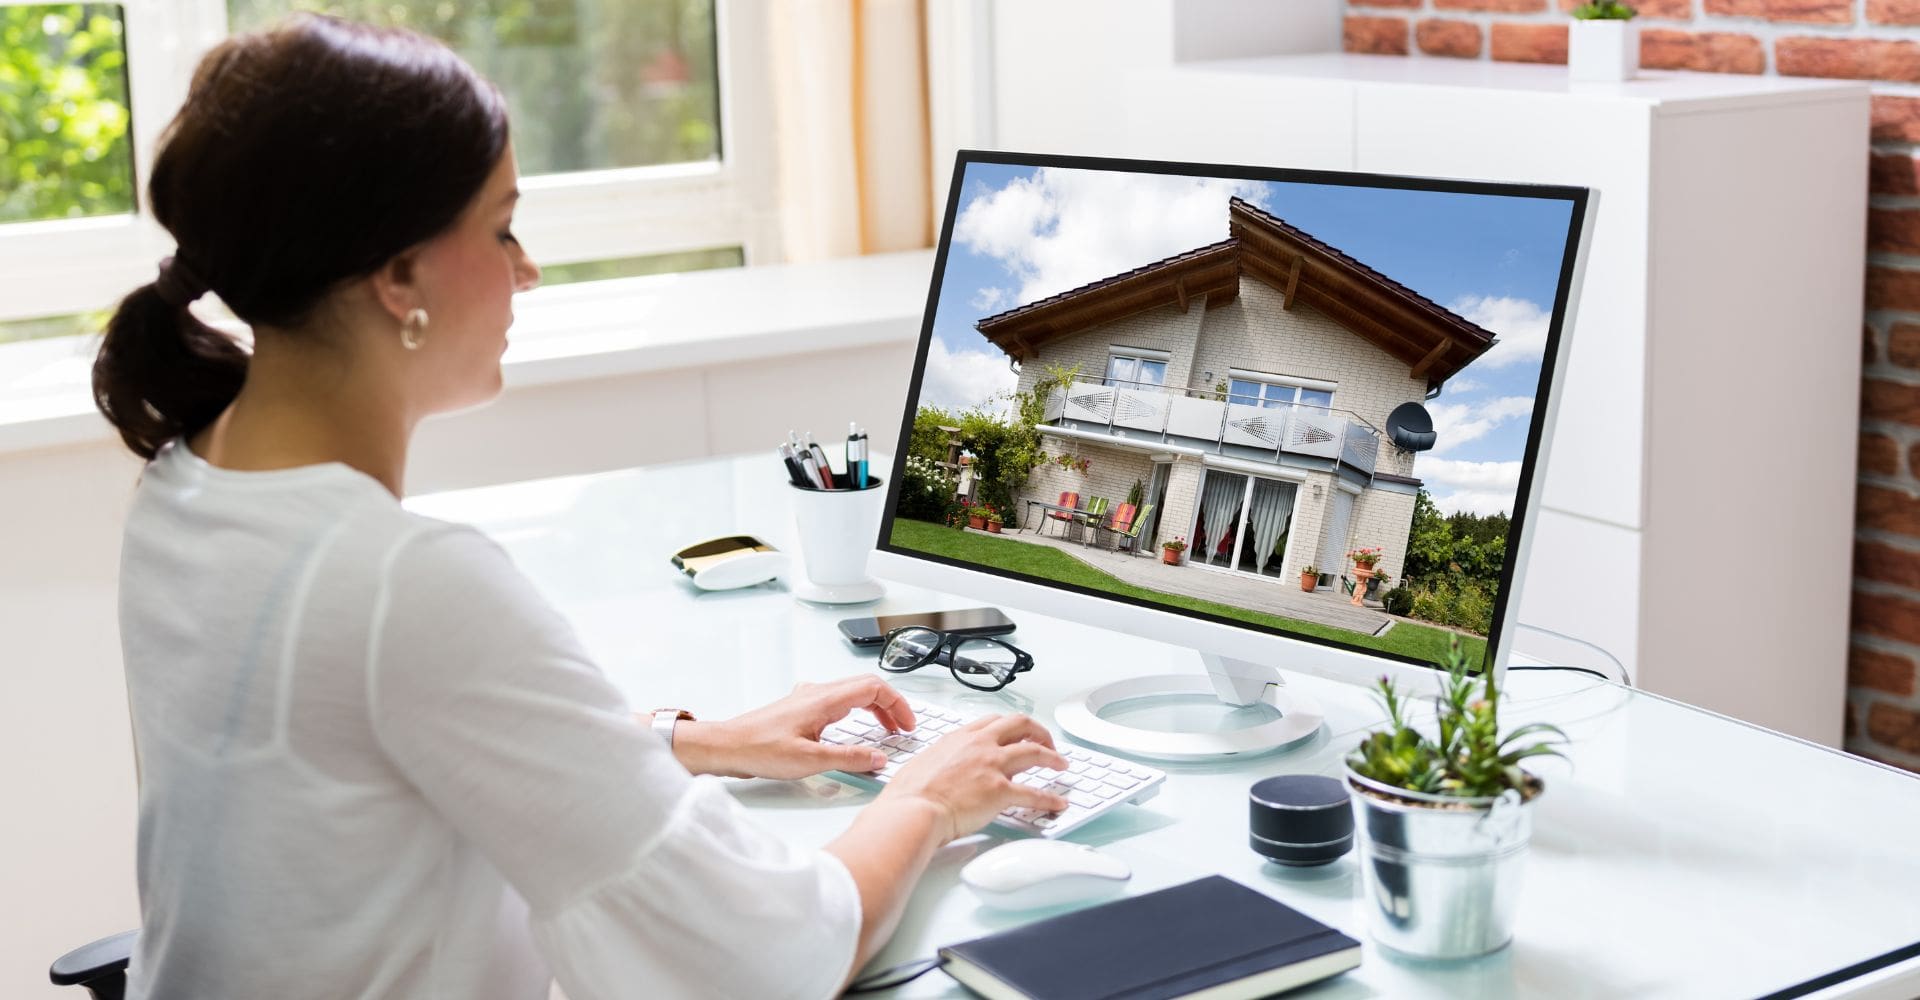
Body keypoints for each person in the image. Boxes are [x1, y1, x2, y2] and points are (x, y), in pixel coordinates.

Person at [91, 15, 1069, 1000]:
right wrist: (923, 800)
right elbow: (761, 956)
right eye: (501, 225)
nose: (528, 269)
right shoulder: (400, 583)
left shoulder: (182, 484)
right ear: (397, 276)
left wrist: (688, 743)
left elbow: (353, 762)